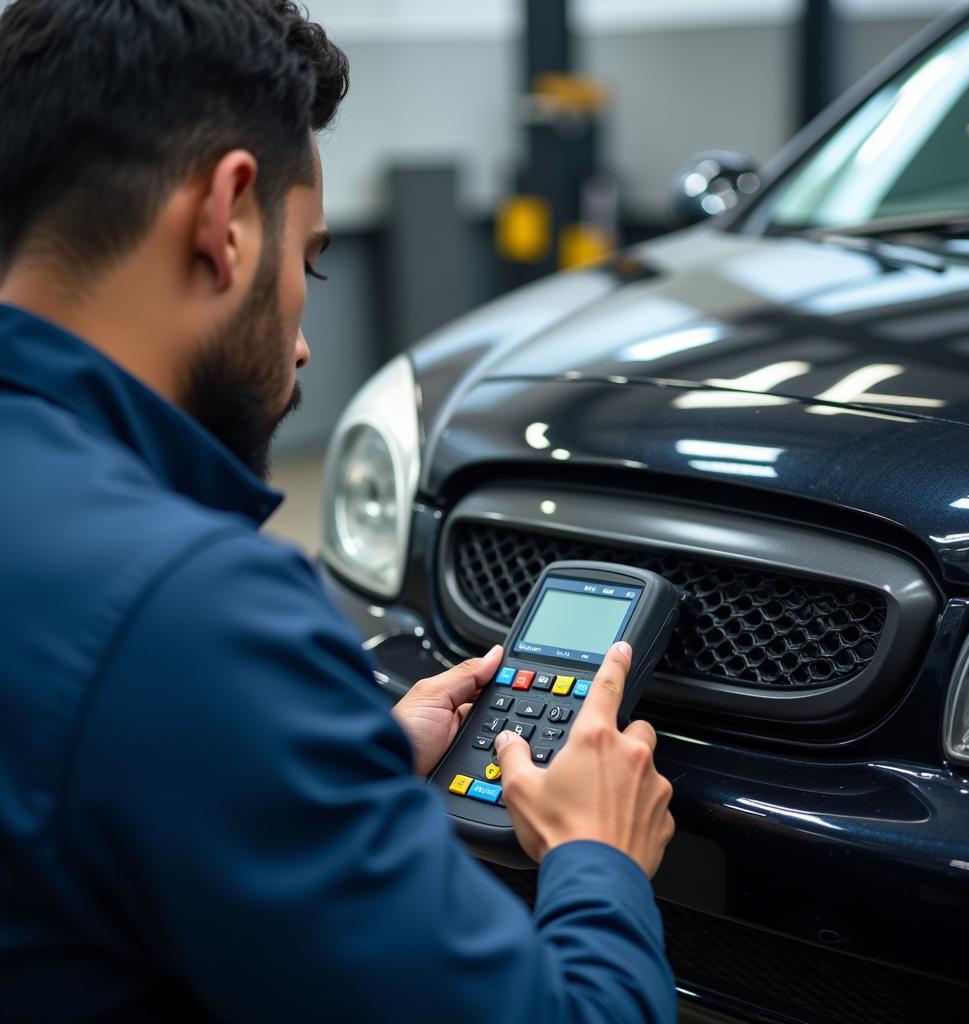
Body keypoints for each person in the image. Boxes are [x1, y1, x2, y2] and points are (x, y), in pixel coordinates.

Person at [0, 1, 677, 1021]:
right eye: (307, 261)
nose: (304, 340)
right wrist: (597, 858)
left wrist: (330, 752)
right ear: (226, 219)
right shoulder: (189, 608)